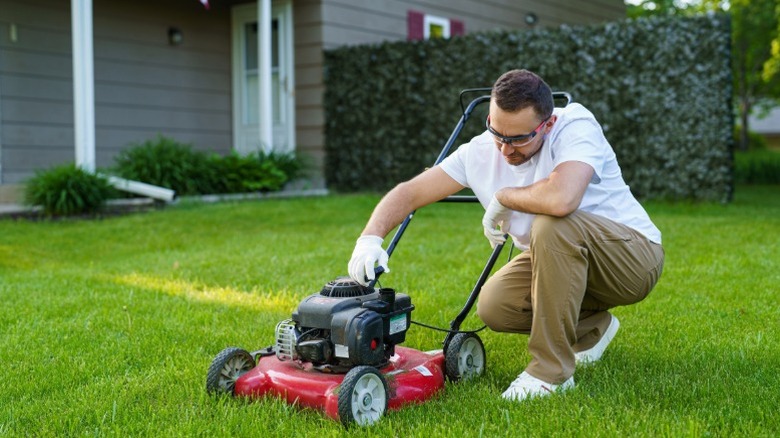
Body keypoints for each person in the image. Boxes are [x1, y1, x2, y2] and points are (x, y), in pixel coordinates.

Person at [347, 69, 664, 402]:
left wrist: (503, 196)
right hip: (564, 262)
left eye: (519, 139)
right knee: (496, 306)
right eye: (498, 133)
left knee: (552, 222)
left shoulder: (576, 124)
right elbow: (410, 192)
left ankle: (549, 373)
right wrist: (369, 239)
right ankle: (591, 328)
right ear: (489, 118)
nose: (505, 150)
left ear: (548, 124)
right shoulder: (479, 151)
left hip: (632, 259)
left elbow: (562, 199)